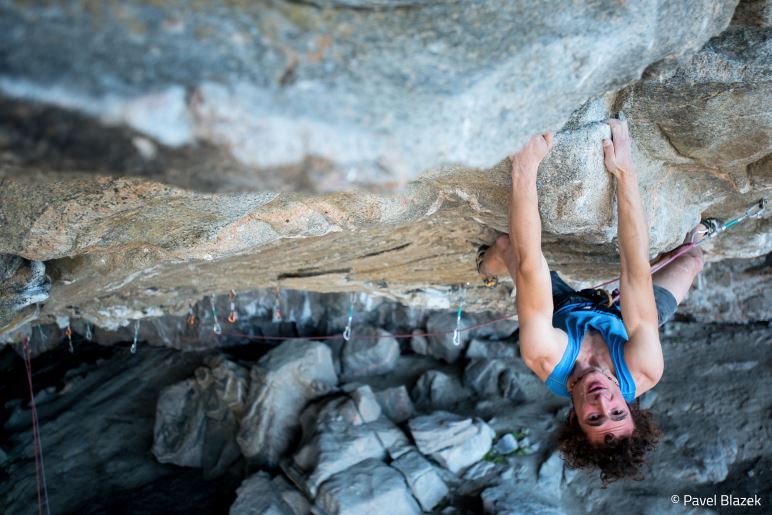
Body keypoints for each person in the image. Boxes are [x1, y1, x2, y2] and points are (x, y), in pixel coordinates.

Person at [477, 120, 705, 485]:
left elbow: (533, 264)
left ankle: (484, 268)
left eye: (594, 418)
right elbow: (635, 273)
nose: (602, 403)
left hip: (561, 309)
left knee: (508, 248)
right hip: (618, 316)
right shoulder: (644, 369)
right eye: (617, 411)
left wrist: (525, 164)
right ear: (630, 405)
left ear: (574, 418)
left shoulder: (545, 356)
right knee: (691, 261)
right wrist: (625, 172)